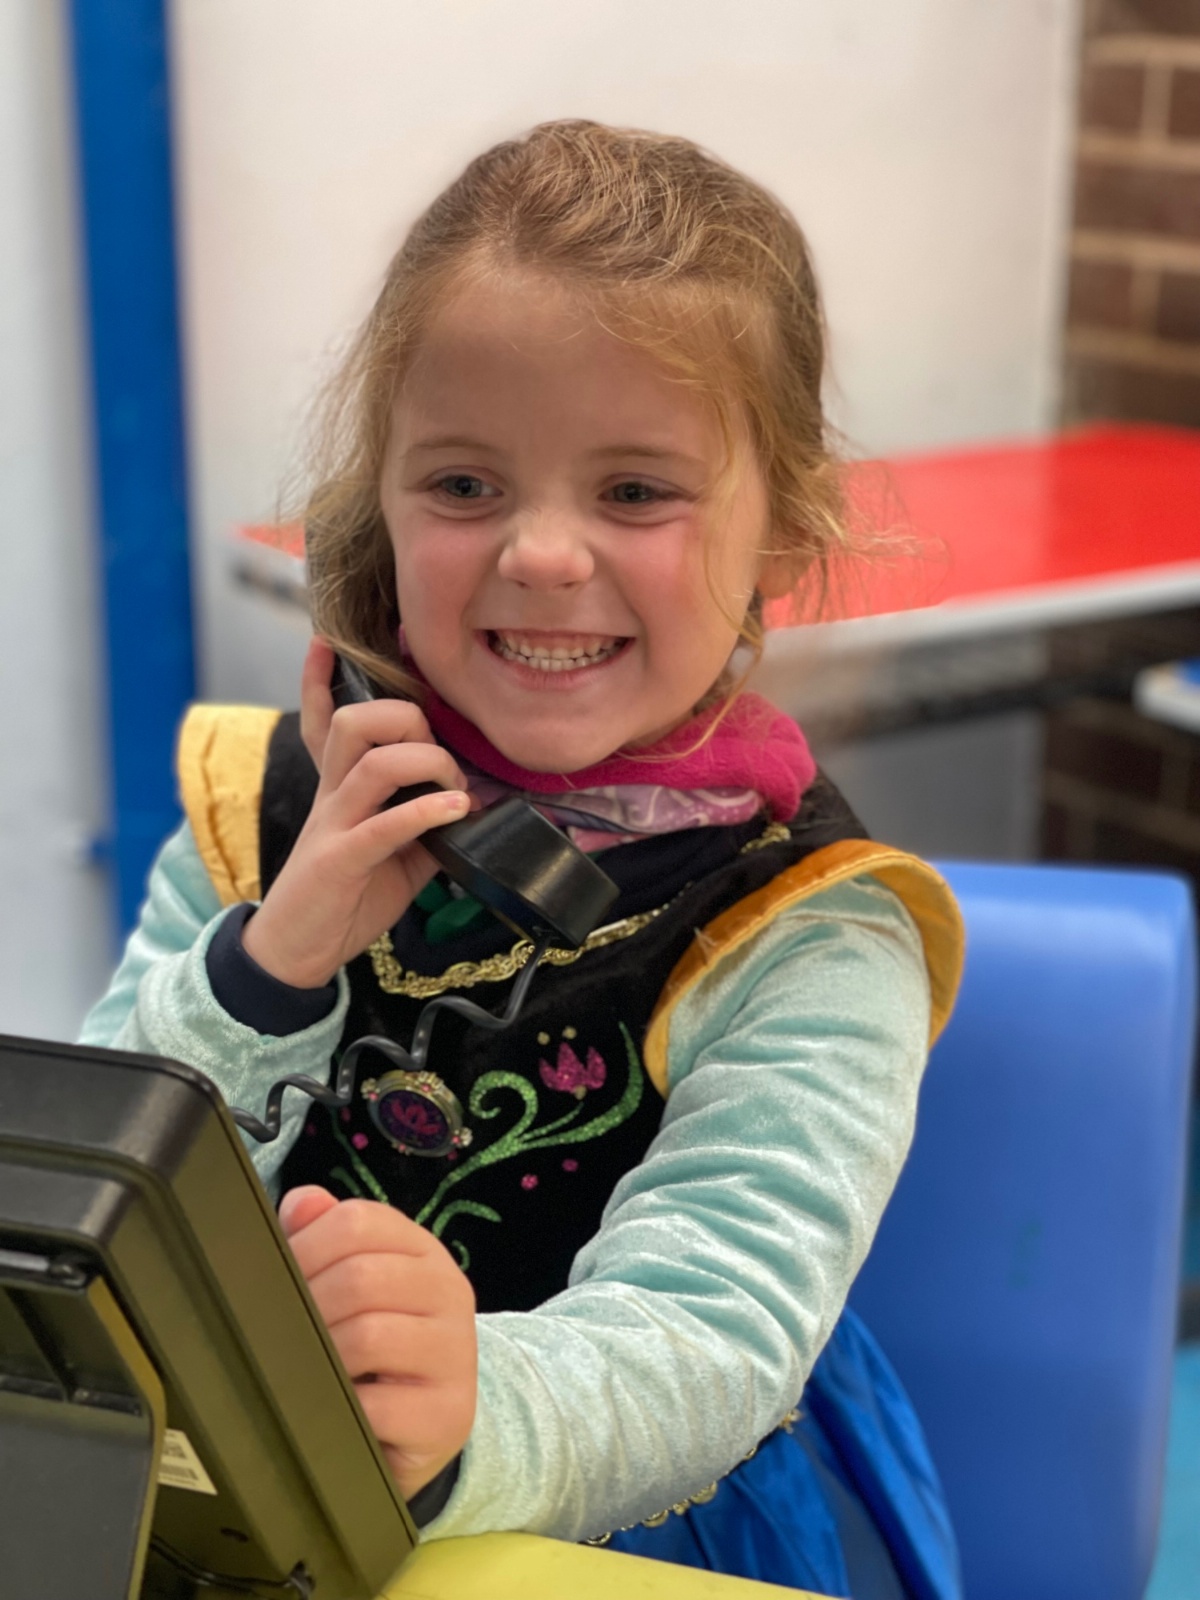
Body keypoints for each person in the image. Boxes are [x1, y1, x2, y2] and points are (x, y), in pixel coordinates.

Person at [81, 120, 965, 1598]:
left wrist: (475, 1407)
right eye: (463, 486)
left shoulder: (810, 931)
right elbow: (89, 1217)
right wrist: (273, 962)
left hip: (617, 1528)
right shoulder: (260, 815)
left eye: (636, 492)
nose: (543, 555)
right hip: (238, 1505)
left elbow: (711, 1336)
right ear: (376, 518)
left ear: (781, 535)